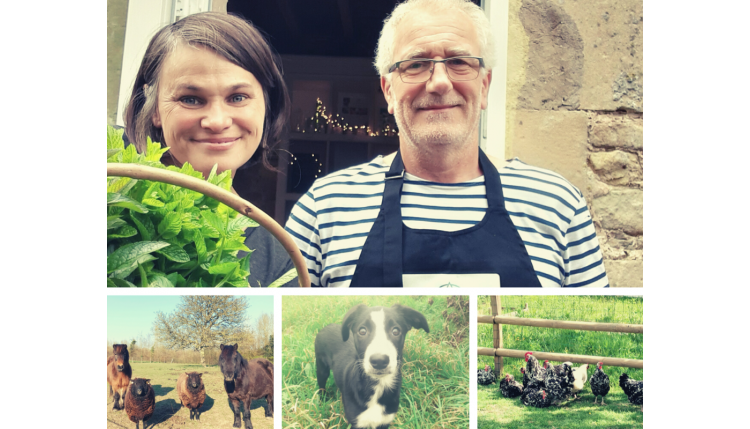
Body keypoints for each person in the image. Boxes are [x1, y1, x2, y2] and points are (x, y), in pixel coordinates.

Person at [285, 0, 608, 288]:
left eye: (459, 61)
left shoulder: (557, 202)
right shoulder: (325, 207)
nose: (439, 82)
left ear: (484, 85)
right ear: (388, 90)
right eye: (415, 64)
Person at [123, 12, 296, 287]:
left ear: (266, 105)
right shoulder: (113, 194)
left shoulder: (278, 259)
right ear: (153, 106)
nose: (217, 121)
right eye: (191, 99)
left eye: (237, 97)